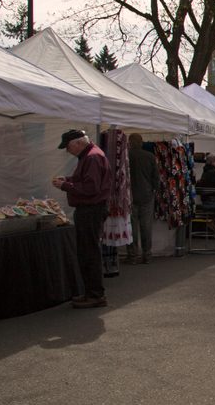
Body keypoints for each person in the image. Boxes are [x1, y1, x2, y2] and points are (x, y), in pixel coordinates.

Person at [52, 129, 112, 309]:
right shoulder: (93, 155)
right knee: (88, 251)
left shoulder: (92, 157)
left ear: (78, 143)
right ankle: (91, 293)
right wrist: (69, 179)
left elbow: (90, 188)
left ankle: (94, 295)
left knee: (89, 252)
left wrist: (65, 185)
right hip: (92, 208)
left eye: (68, 147)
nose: (68, 151)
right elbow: (87, 181)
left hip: (91, 209)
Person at [126, 133, 159, 264]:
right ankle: (147, 254)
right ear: (141, 142)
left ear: (130, 142)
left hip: (130, 195)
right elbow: (156, 177)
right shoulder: (149, 156)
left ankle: (133, 255)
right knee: (146, 227)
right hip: (146, 194)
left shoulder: (126, 156)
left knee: (132, 227)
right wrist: (154, 190)